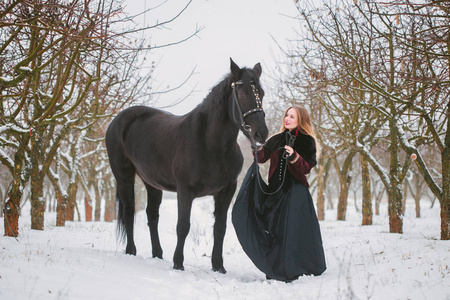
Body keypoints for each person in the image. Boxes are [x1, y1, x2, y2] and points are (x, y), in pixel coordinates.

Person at [232, 106, 326, 282]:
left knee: (292, 232)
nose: (287, 119)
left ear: (301, 120)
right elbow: (261, 158)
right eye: (286, 115)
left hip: (295, 192)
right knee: (275, 230)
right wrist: (257, 147)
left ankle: (296, 267)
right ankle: (276, 265)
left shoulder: (307, 141)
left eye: (292, 116)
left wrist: (294, 156)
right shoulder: (276, 139)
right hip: (275, 191)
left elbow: (306, 168)